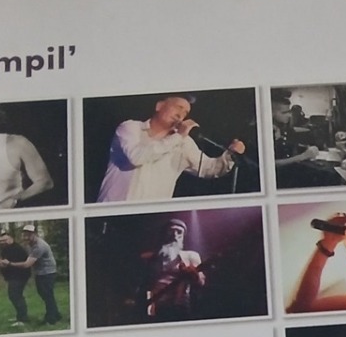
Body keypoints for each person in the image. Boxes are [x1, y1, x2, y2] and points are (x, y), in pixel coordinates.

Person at [96, 94, 245, 203]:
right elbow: (136, 157)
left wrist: (230, 155)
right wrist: (177, 137)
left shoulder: (183, 143)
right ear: (159, 106)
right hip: (113, 212)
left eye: (186, 112)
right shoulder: (131, 127)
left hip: (150, 218)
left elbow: (207, 168)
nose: (181, 114)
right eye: (178, 107)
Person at [143, 219, 207, 321]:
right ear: (164, 234)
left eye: (179, 232)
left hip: (179, 307)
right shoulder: (151, 258)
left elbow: (201, 282)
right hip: (154, 308)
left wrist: (193, 274)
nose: (174, 235)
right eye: (171, 231)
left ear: (183, 236)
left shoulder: (190, 255)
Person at [13, 223, 60, 324]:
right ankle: (56, 314)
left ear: (35, 234)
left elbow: (27, 264)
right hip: (40, 272)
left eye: (29, 235)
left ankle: (51, 319)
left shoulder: (39, 246)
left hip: (47, 273)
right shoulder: (29, 244)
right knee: (45, 294)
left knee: (47, 295)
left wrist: (10, 264)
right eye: (25, 235)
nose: (26, 237)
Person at [0, 229, 35, 326]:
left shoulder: (16, 249)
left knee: (15, 296)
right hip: (13, 276)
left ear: (11, 239)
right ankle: (20, 316)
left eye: (5, 240)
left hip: (19, 276)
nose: (2, 242)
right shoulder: (6, 249)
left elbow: (5, 264)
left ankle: (23, 319)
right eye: (0, 241)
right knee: (15, 296)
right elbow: (5, 263)